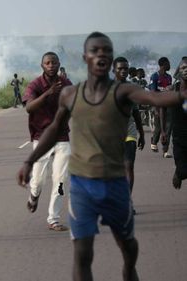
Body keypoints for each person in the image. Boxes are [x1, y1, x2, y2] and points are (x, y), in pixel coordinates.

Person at [17, 32, 186, 281]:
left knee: (128, 247)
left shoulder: (124, 91)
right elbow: (54, 129)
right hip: (82, 187)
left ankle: (129, 269)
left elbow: (155, 97)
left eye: (106, 51)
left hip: (115, 184)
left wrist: (182, 94)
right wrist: (29, 161)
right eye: (95, 51)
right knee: (82, 254)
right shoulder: (70, 94)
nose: (101, 55)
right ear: (86, 57)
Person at [21, 52, 72, 231]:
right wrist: (48, 93)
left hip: (62, 137)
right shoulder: (35, 84)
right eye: (47, 63)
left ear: (59, 64)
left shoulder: (66, 84)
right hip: (41, 137)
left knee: (60, 180)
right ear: (42, 65)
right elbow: (29, 107)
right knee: (38, 180)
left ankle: (54, 218)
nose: (51, 65)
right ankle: (34, 195)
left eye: (54, 62)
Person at [113, 57, 145, 213]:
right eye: (120, 69)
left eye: (125, 68)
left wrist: (142, 134)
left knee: (128, 166)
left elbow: (136, 112)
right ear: (113, 70)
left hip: (129, 132)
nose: (123, 71)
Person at [149, 57, 173, 158]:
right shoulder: (154, 76)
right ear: (163, 65)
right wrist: (155, 108)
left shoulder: (169, 77)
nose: (170, 66)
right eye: (168, 64)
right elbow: (153, 93)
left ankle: (165, 150)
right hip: (158, 105)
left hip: (168, 105)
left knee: (168, 127)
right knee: (159, 126)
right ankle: (154, 141)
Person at [171, 58, 187, 189]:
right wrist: (163, 131)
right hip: (178, 136)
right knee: (183, 169)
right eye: (183, 68)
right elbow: (162, 109)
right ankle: (179, 173)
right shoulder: (173, 90)